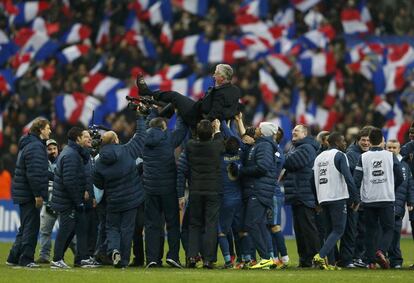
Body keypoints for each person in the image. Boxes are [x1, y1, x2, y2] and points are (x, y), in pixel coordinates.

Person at [93, 112, 146, 268]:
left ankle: (114, 250)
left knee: (112, 228)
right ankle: (123, 260)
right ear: (116, 140)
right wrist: (140, 118)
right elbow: (141, 137)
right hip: (131, 200)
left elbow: (99, 184)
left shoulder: (99, 162)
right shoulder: (127, 150)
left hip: (113, 201)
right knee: (127, 229)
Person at [142, 111, 187, 268]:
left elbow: (146, 124)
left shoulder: (143, 138)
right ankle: (173, 256)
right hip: (168, 188)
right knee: (173, 223)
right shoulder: (167, 138)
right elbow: (181, 131)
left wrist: (151, 111)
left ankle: (153, 258)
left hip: (149, 189)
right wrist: (180, 112)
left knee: (152, 225)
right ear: (163, 127)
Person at [353, 128, 403, 269]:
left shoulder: (363, 157)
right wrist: (390, 187)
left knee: (370, 230)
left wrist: (356, 198)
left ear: (370, 140)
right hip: (386, 197)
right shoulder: (390, 156)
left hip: (369, 199)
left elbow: (356, 180)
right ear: (382, 140)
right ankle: (380, 251)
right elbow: (400, 176)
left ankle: (370, 262)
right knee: (388, 228)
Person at [51, 128, 99, 269]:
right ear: (78, 139)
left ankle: (82, 258)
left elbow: (77, 178)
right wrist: (77, 200)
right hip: (68, 201)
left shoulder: (75, 153)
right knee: (66, 229)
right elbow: (69, 181)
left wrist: (83, 190)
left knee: (80, 228)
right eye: (85, 136)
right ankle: (57, 259)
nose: (89, 138)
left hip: (73, 199)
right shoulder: (71, 155)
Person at [6, 118, 51, 268]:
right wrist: (37, 194)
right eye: (47, 128)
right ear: (40, 130)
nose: (50, 130)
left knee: (25, 226)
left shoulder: (29, 144)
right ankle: (26, 259)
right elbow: (35, 173)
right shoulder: (36, 147)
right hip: (30, 194)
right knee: (31, 226)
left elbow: (37, 171)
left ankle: (13, 257)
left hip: (24, 192)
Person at [312, 132, 360, 270]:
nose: (345, 143)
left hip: (323, 197)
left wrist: (317, 201)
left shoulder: (318, 157)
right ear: (337, 142)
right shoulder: (340, 155)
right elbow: (348, 177)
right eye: (343, 141)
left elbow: (312, 180)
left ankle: (331, 264)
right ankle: (320, 256)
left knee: (329, 231)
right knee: (339, 230)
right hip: (337, 197)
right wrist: (355, 198)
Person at [136, 64, 241, 127]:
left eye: (216, 74)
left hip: (198, 118)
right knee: (176, 101)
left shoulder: (220, 93)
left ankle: (147, 92)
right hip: (199, 111)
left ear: (222, 78)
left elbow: (214, 113)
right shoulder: (235, 90)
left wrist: (203, 126)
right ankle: (158, 108)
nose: (213, 75)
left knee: (175, 96)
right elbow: (234, 109)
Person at [235, 122, 279, 269]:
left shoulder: (264, 146)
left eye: (260, 128)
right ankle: (268, 259)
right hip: (258, 189)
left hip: (259, 190)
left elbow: (262, 167)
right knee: (259, 224)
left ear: (264, 132)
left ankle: (266, 258)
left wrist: (242, 170)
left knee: (251, 223)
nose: (257, 129)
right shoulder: (259, 144)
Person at [186, 119, 224, 269]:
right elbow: (220, 140)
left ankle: (191, 257)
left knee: (194, 224)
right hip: (213, 191)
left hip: (195, 190)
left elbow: (193, 138)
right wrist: (218, 129)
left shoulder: (190, 145)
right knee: (211, 224)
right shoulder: (216, 145)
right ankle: (208, 260)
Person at [283, 124, 320, 268]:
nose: (293, 132)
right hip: (298, 195)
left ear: (305, 134)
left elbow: (290, 162)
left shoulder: (307, 148)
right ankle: (304, 260)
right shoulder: (297, 148)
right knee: (300, 230)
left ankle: (315, 260)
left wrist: (283, 156)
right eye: (293, 131)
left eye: (296, 131)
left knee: (308, 230)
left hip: (305, 194)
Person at [36, 139, 76, 264]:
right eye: (49, 149)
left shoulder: (62, 160)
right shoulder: (42, 163)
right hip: (48, 203)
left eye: (54, 148)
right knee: (44, 231)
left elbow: (58, 177)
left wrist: (49, 176)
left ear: (58, 149)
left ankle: (79, 256)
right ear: (45, 151)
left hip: (62, 203)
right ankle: (44, 256)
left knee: (68, 232)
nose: (53, 151)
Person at [343, 126, 372, 268]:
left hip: (366, 198)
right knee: (353, 231)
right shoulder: (351, 154)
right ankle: (351, 258)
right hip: (355, 200)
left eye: (368, 140)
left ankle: (358, 257)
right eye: (363, 140)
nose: (366, 143)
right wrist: (355, 199)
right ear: (357, 140)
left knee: (363, 230)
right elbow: (351, 179)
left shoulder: (368, 153)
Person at [385, 139, 414, 268]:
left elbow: (410, 185)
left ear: (398, 149)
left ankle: (396, 261)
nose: (391, 150)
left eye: (393, 148)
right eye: (389, 147)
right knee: (382, 232)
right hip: (384, 203)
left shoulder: (405, 166)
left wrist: (410, 201)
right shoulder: (382, 163)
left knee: (396, 233)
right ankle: (379, 258)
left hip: (398, 205)